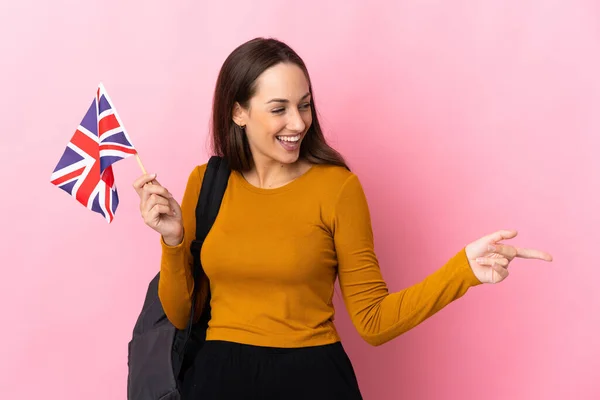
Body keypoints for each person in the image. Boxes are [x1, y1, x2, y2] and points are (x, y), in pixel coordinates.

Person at [132, 37, 553, 399]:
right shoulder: (206, 182)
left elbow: (372, 321)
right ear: (238, 112)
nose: (298, 123)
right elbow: (181, 312)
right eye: (278, 109)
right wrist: (172, 242)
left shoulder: (337, 188)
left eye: (305, 105)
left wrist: (463, 270)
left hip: (312, 380)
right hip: (217, 380)